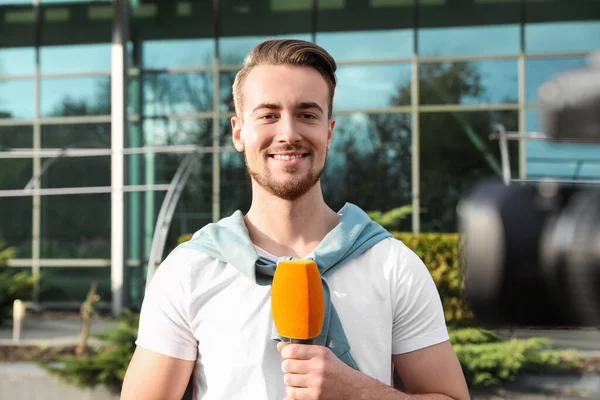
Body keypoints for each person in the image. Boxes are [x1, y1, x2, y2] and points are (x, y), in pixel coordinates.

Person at [121, 39, 470, 400]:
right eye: (268, 115)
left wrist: (359, 393)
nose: (288, 134)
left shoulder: (392, 265)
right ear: (238, 132)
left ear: (329, 131)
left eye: (307, 114)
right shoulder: (189, 270)